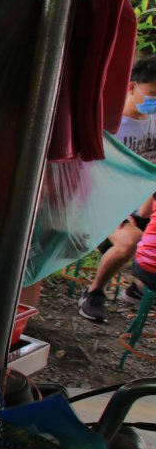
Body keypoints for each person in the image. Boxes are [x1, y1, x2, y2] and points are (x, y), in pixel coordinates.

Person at [78, 55, 156, 322]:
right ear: (132, 87)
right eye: (153, 93)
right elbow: (89, 178)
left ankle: (140, 287)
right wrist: (123, 211)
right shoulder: (110, 126)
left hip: (138, 207)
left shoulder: (154, 123)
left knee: (143, 237)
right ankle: (93, 292)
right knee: (131, 240)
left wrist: (145, 213)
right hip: (100, 205)